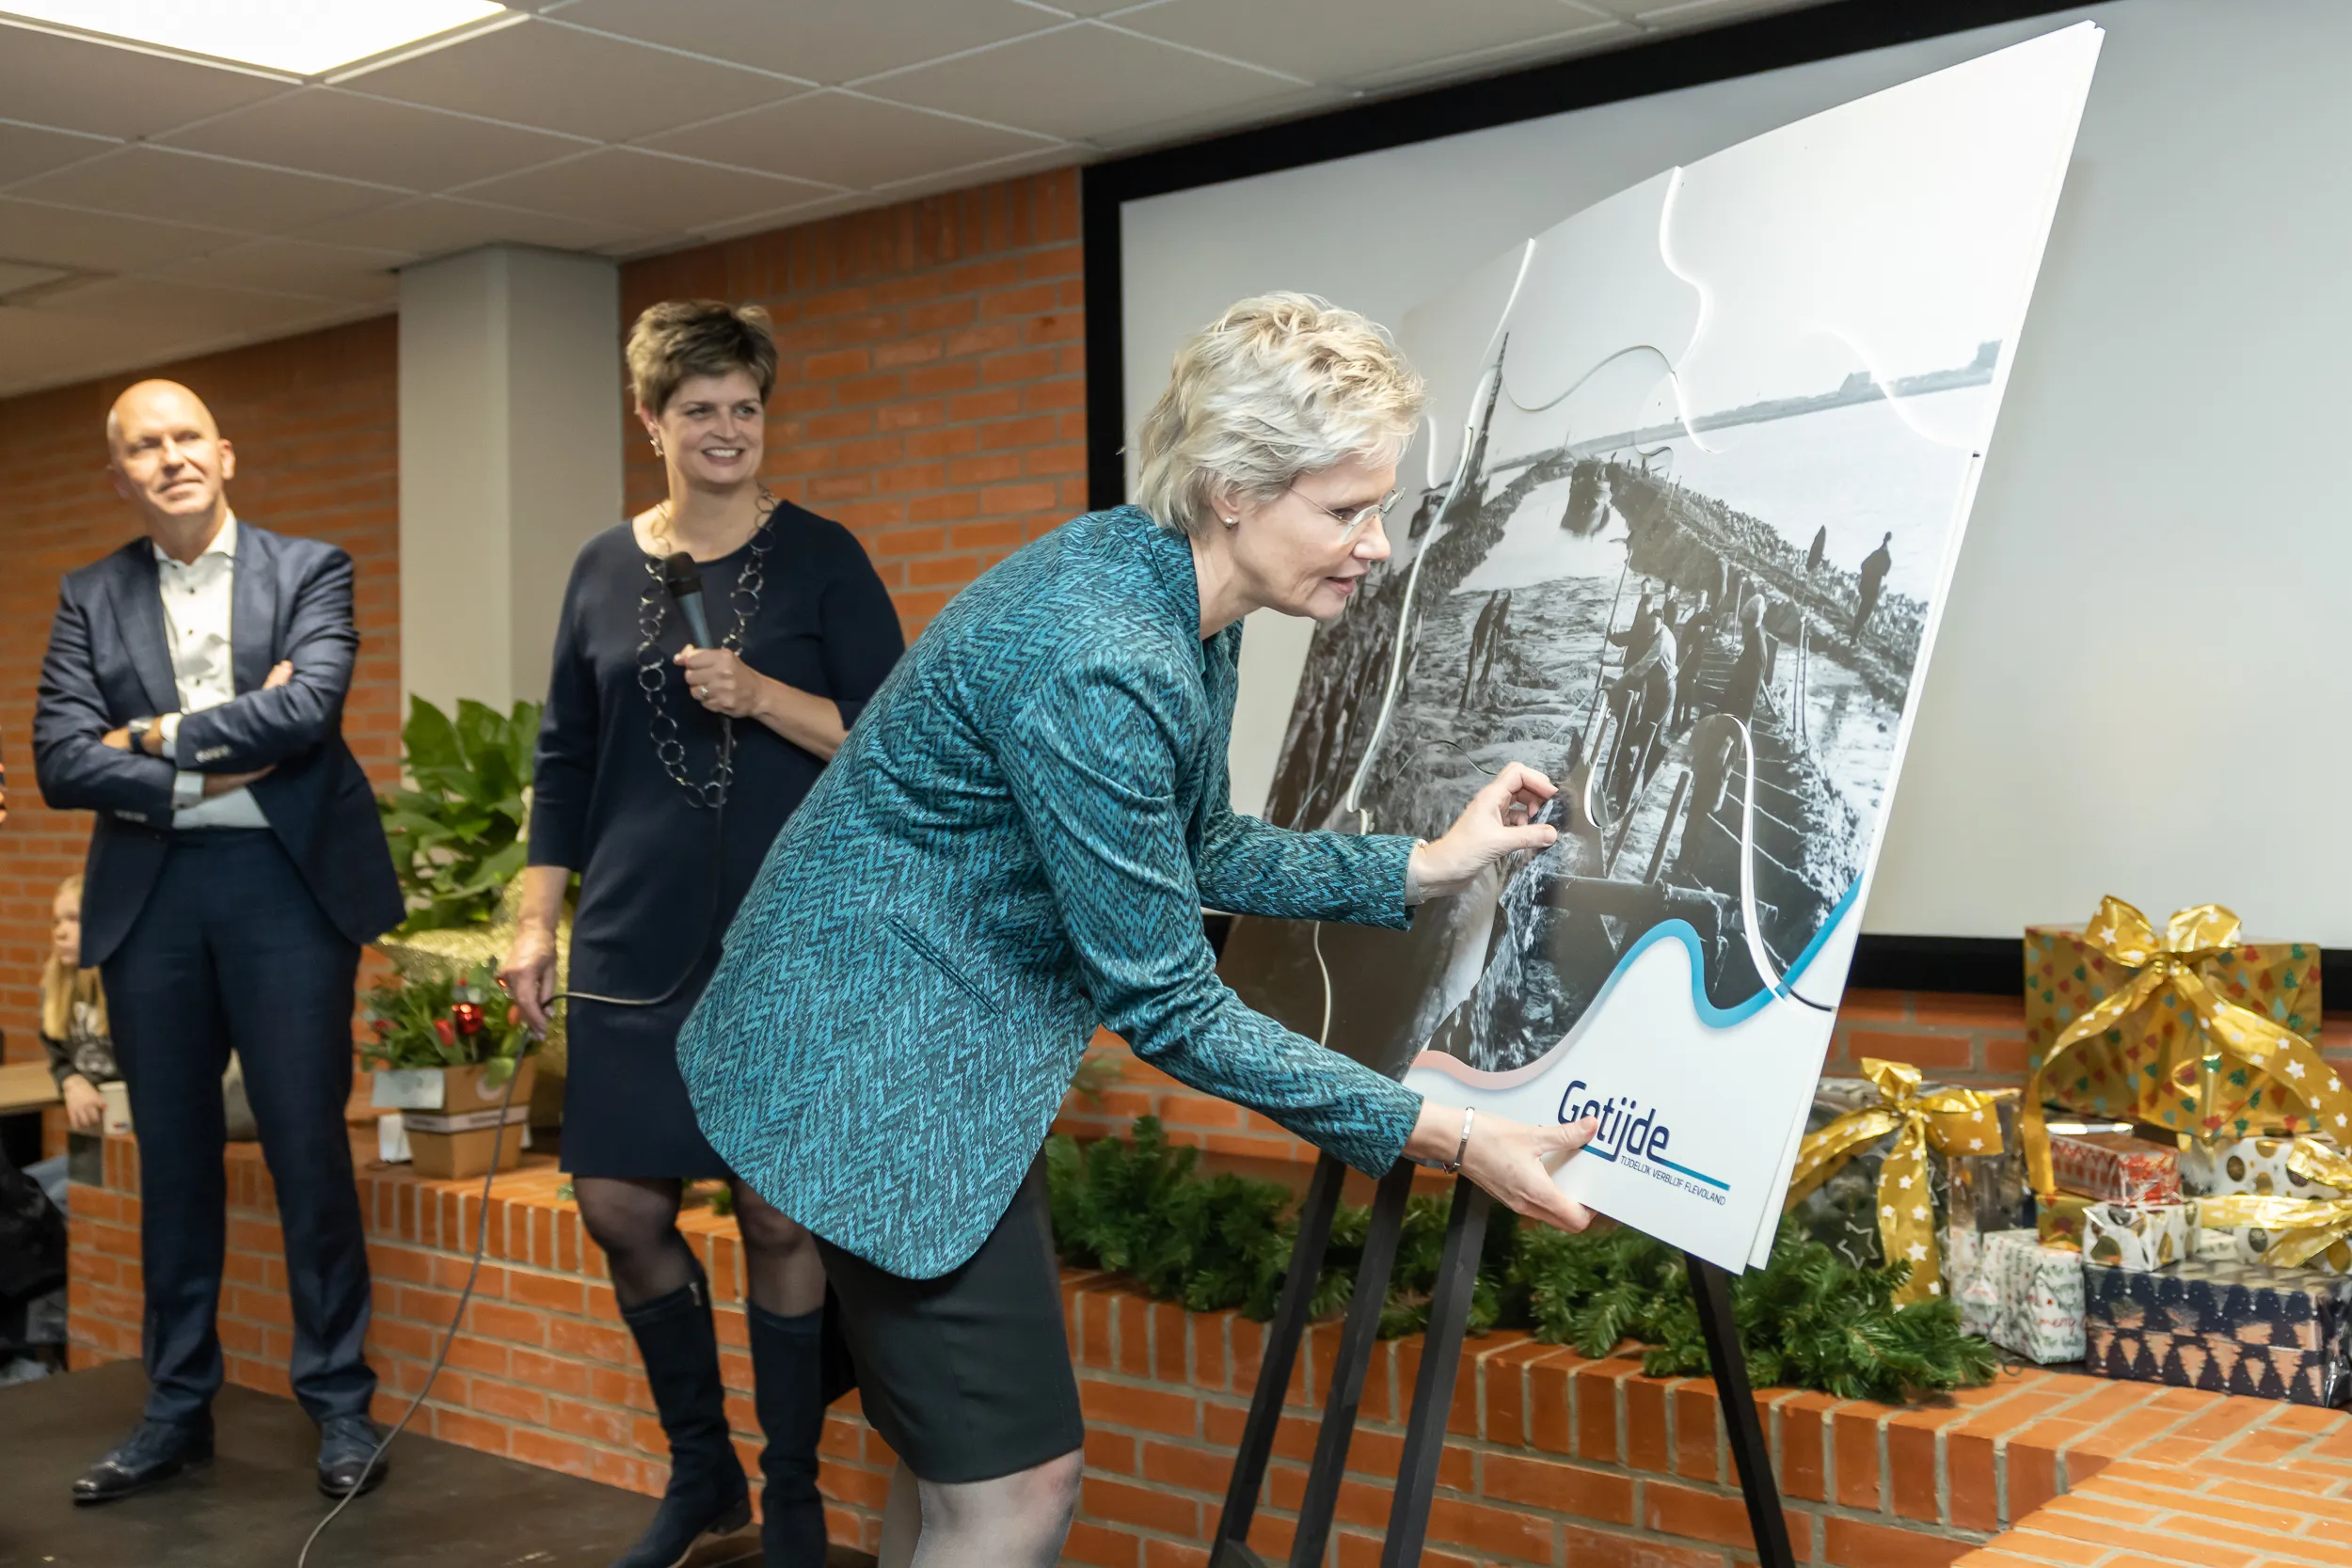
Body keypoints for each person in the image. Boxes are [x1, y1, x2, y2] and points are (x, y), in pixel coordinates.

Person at [678, 293, 1602, 1568]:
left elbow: (1193, 842)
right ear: (1232, 486)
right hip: (871, 1067)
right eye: (1347, 510)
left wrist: (1426, 863)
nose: (1378, 544)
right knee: (1018, 1486)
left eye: (1379, 506)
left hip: (918, 1054)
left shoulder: (1170, 590)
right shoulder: (1107, 651)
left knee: (961, 1468)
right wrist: (1448, 1129)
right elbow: (1169, 1001)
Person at [499, 300, 903, 1568]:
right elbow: (564, 759)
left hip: (787, 935)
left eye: (745, 408)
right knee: (619, 1198)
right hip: (627, 937)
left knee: (780, 1217)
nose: (727, 431)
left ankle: (792, 1492)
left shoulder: (825, 556)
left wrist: (764, 692)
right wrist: (533, 916)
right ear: (652, 423)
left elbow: (894, 740)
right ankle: (702, 1469)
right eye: (700, 410)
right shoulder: (600, 566)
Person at [33, 379, 405, 1503]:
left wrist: (150, 735)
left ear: (225, 453)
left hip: (287, 892)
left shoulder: (310, 570)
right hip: (156, 896)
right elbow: (58, 758)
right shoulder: (88, 593)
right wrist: (212, 758)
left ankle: (341, 1406)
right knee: (176, 1165)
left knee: (306, 1151)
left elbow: (309, 712)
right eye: (144, 447)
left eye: (187, 436)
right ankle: (175, 1406)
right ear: (121, 476)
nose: (170, 457)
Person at [1852, 531, 1893, 639]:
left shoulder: (1877, 554)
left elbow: (1863, 565)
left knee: (1863, 613)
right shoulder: (1885, 557)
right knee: (1864, 614)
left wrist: (1867, 576)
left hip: (1868, 587)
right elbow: (1883, 572)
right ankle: (1854, 637)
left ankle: (1855, 636)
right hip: (1872, 589)